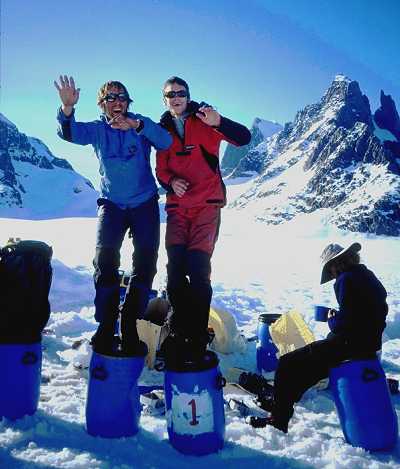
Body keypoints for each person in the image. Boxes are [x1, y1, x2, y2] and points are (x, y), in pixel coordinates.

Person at [54, 75, 172, 356]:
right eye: (110, 98)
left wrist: (137, 125)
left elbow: (165, 141)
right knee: (104, 261)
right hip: (112, 204)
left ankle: (129, 322)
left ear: (128, 103)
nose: (117, 102)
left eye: (121, 97)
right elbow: (69, 133)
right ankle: (106, 324)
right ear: (102, 105)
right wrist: (68, 109)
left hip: (144, 203)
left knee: (145, 265)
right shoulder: (97, 130)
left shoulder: (139, 124)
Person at [156, 76, 251, 364]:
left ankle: (195, 340)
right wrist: (172, 182)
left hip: (206, 209)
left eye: (181, 93)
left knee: (198, 272)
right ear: (165, 99)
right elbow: (160, 171)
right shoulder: (162, 132)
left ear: (188, 95)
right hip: (177, 211)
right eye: (170, 94)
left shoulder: (205, 119)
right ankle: (178, 333)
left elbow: (243, 137)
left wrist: (219, 121)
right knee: (174, 276)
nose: (176, 97)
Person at [263, 242, 388, 433]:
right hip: (370, 345)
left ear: (336, 264)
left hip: (349, 345)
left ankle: (278, 419)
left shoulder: (345, 279)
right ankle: (283, 401)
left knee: (288, 364)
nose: (333, 273)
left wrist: (332, 320)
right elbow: (366, 313)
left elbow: (346, 323)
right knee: (309, 369)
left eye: (331, 268)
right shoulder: (368, 276)